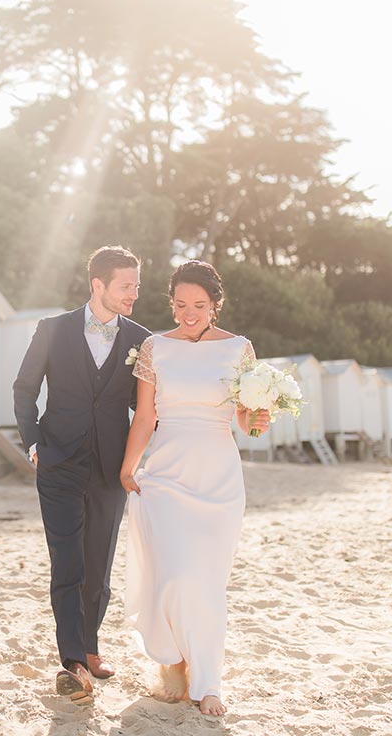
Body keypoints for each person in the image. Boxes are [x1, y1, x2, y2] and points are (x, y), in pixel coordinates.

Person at [119, 260, 270, 718]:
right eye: (180, 304)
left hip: (218, 478)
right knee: (175, 575)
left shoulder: (239, 349)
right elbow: (146, 417)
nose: (189, 313)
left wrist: (259, 418)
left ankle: (208, 683)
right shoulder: (154, 347)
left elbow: (245, 420)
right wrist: (129, 469)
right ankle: (175, 663)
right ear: (171, 303)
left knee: (205, 582)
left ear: (215, 304)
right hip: (165, 473)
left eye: (199, 305)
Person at [13, 246, 152, 706]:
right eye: (125, 286)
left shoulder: (141, 339)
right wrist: (34, 442)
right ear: (98, 285)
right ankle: (71, 661)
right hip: (58, 463)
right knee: (68, 563)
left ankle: (90, 646)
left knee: (99, 567)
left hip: (112, 468)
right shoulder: (52, 330)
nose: (134, 293)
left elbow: (146, 406)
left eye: (136, 285)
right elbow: (24, 387)